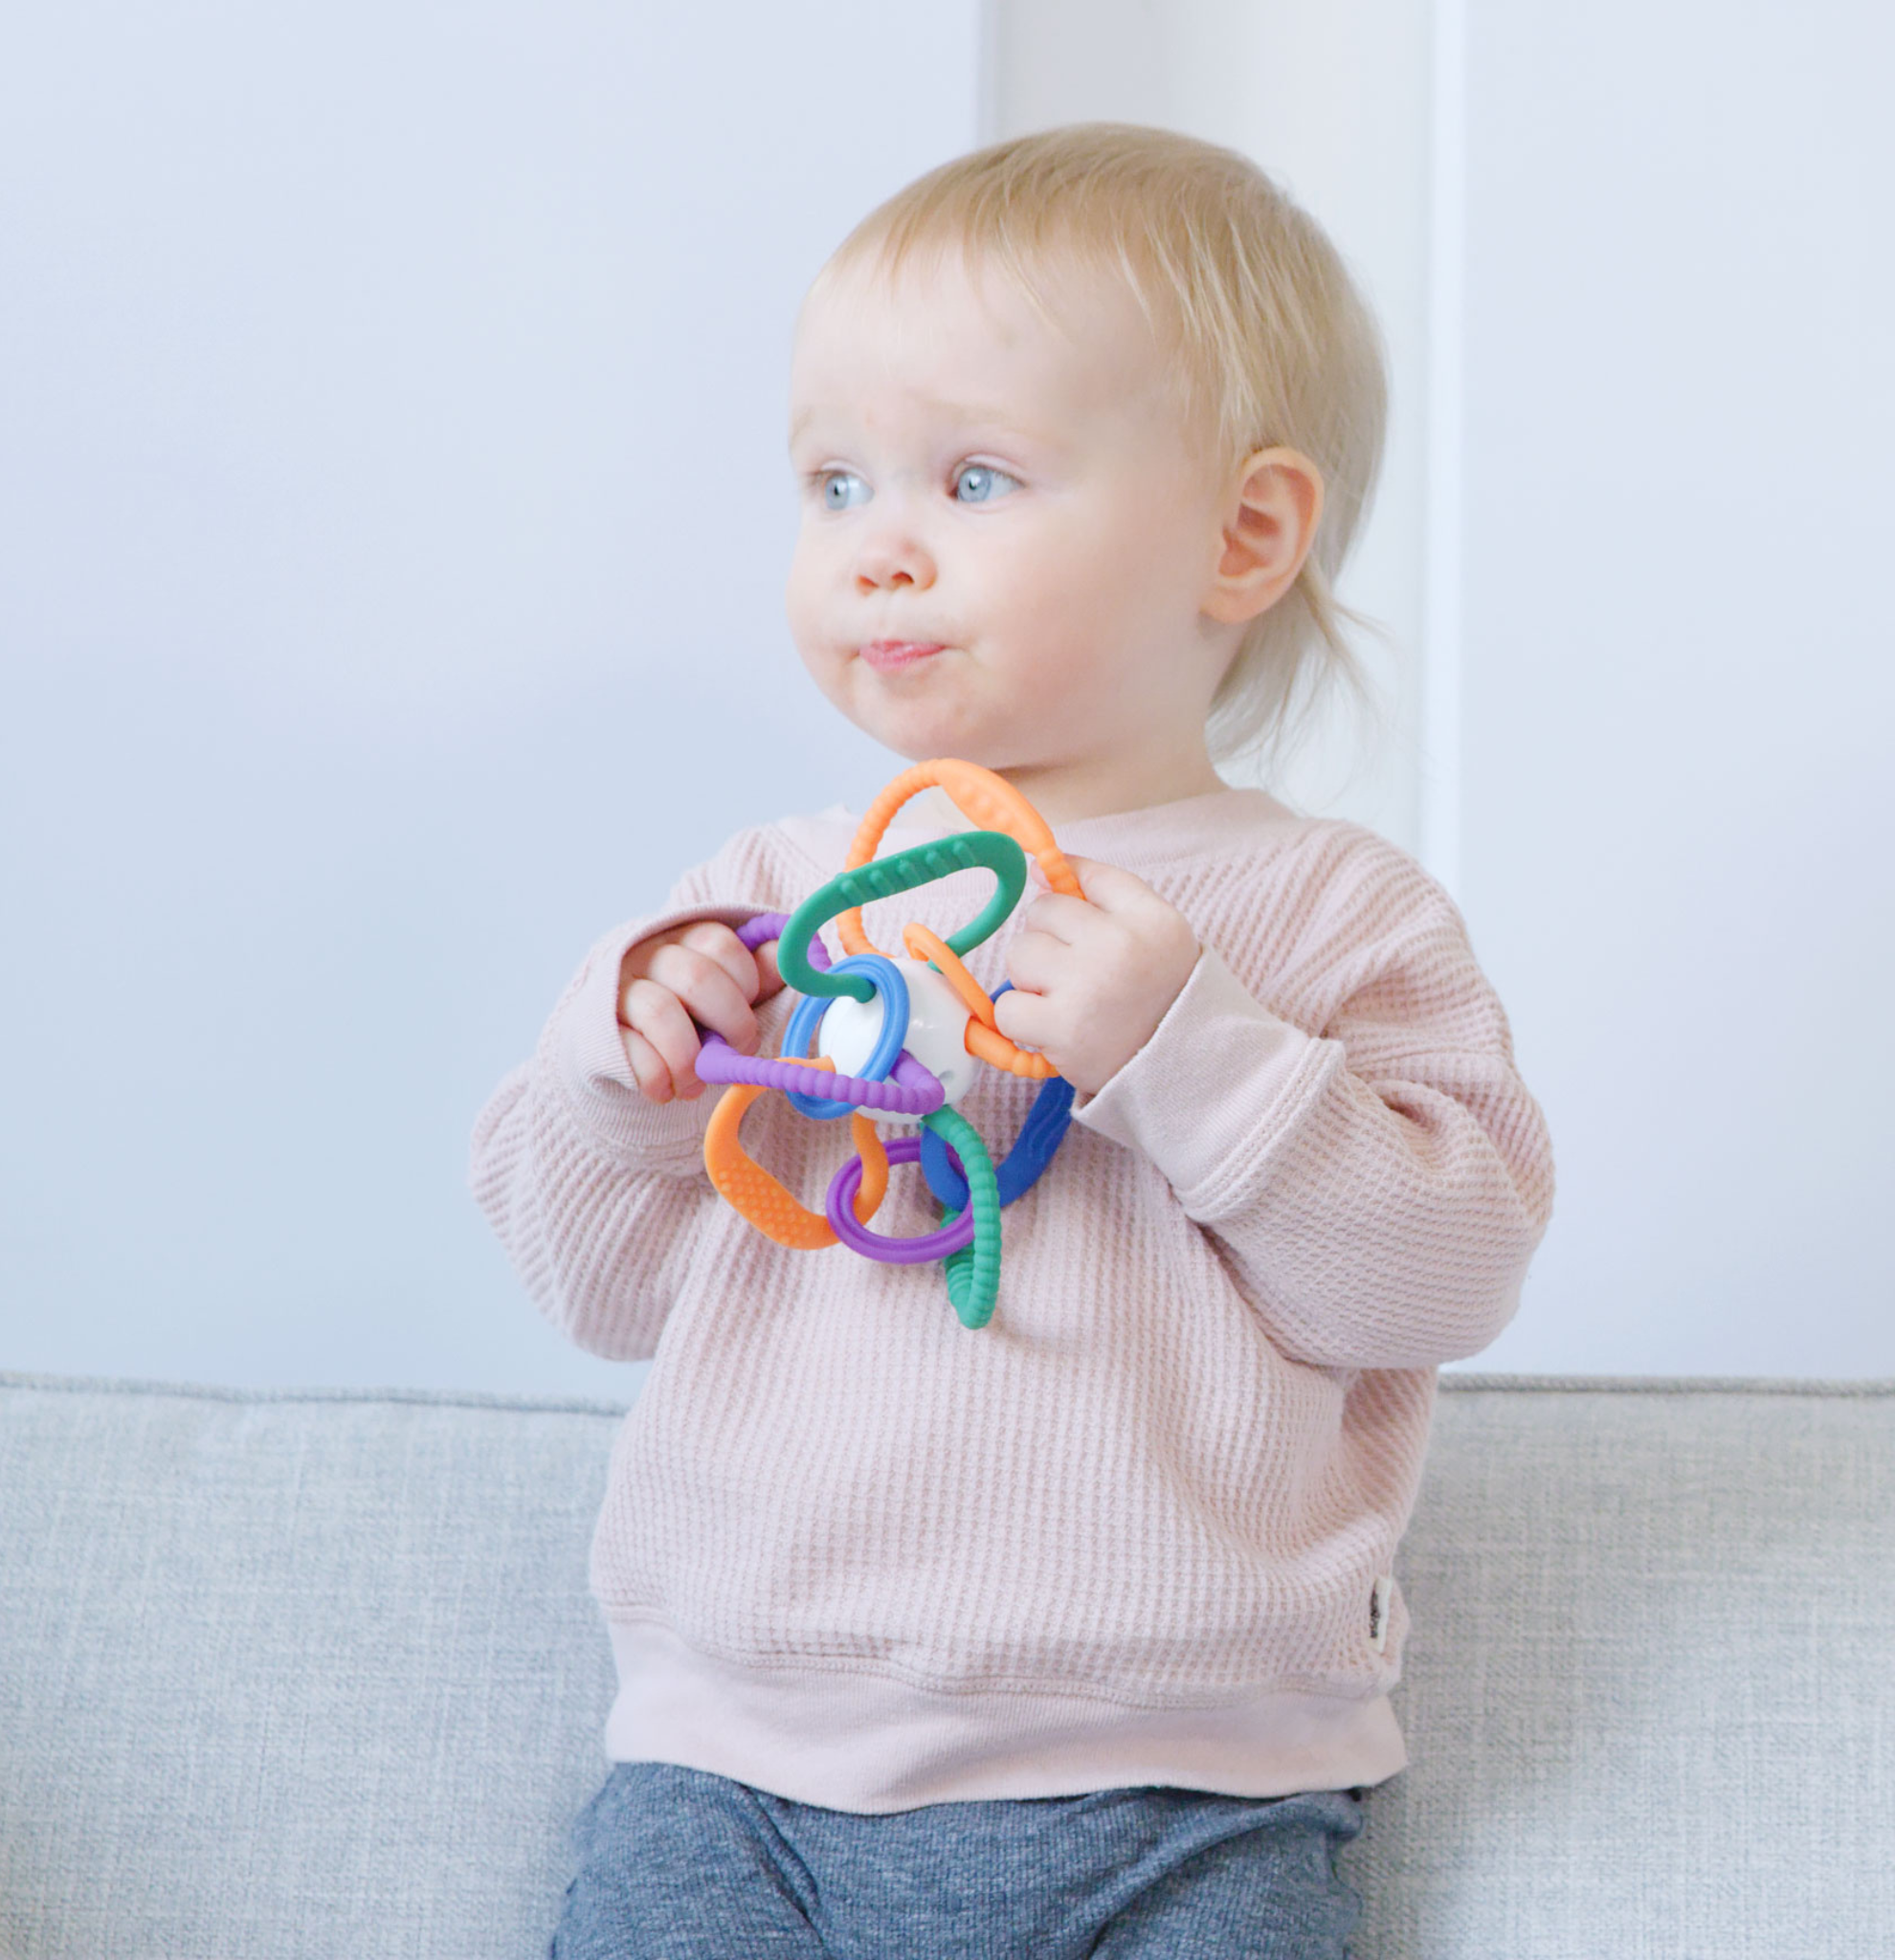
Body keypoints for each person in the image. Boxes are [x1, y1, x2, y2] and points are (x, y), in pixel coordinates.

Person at [471, 122, 1554, 1959]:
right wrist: (619, 1067)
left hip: (1186, 1792)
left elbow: (1445, 1275)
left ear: (1243, 533)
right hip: (740, 1778)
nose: (876, 551)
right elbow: (589, 1283)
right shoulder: (763, 904)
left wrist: (1191, 1053)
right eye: (830, 484)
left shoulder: (1336, 917)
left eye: (972, 477)